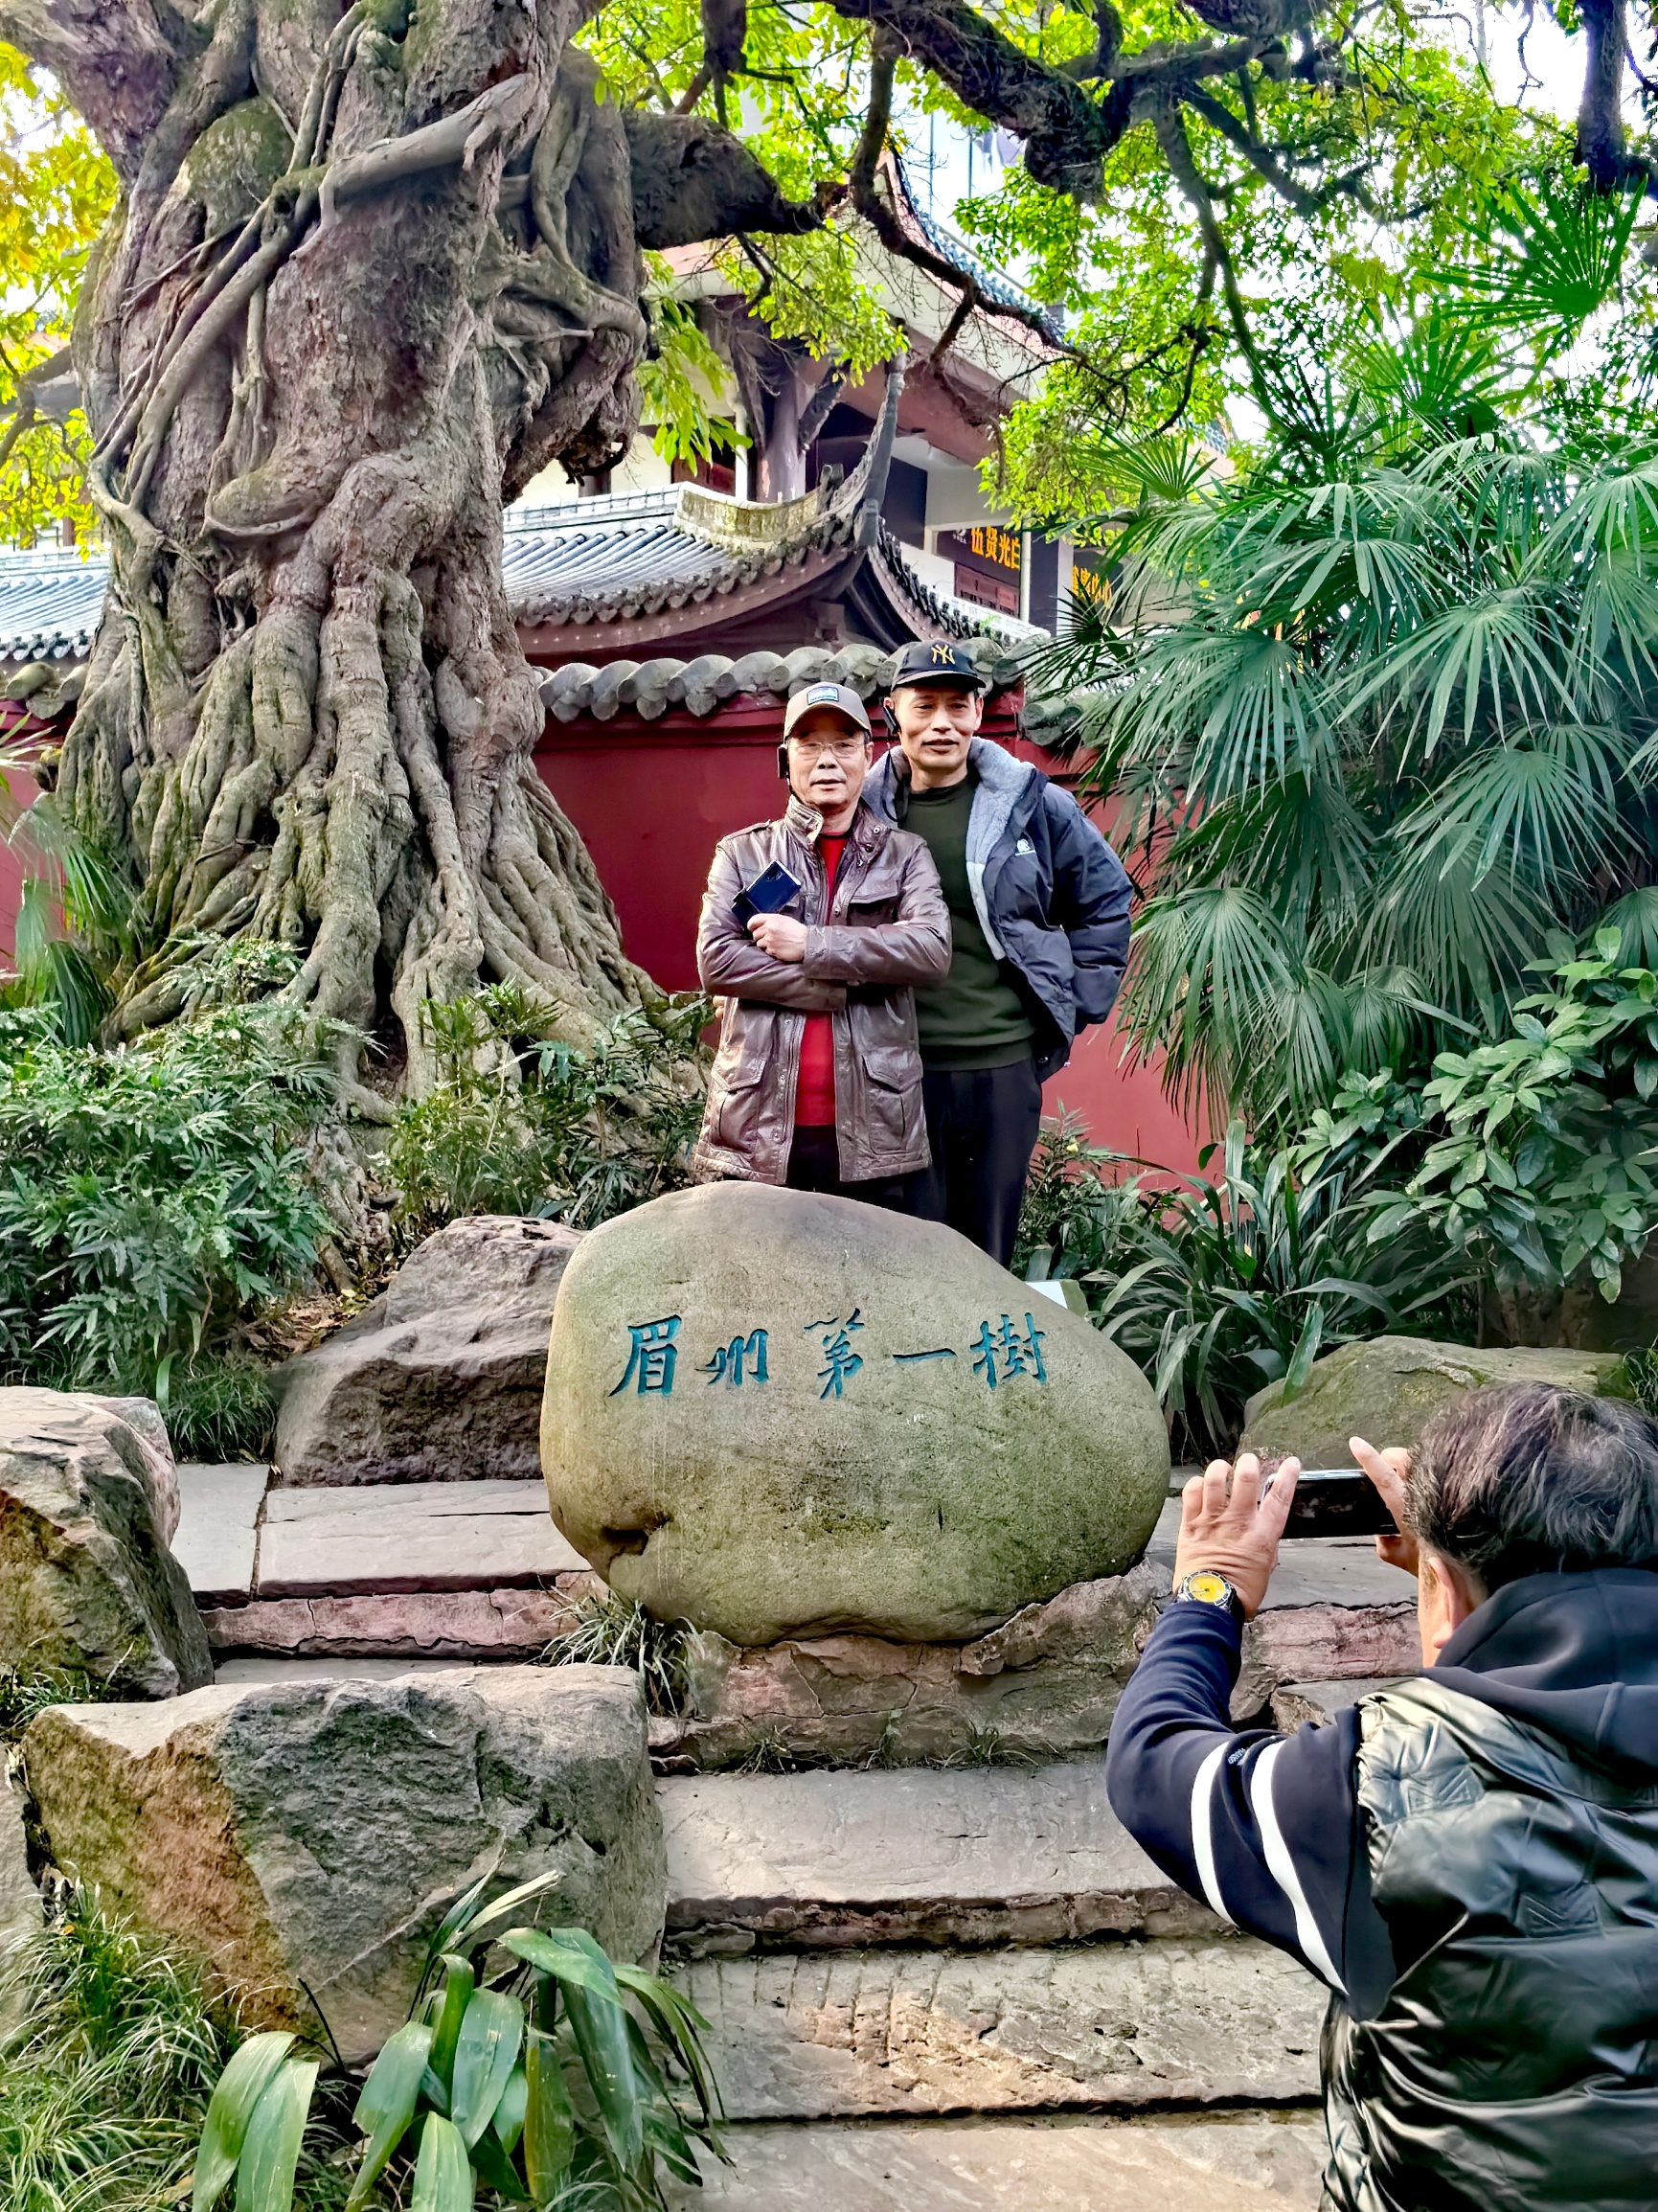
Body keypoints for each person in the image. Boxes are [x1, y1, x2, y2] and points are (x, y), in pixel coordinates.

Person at [1104, 1383, 1658, 2212]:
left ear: (1439, 1581)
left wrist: (1210, 1591)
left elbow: (1152, 1762)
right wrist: (1455, 1592)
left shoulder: (1362, 1782)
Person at [863, 639, 1132, 1266]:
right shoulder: (861, 811)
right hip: (898, 1075)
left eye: (956, 705)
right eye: (923, 704)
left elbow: (1104, 900)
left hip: (1000, 1069)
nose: (940, 723)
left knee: (986, 1260)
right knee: (908, 1264)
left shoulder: (1032, 803)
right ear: (892, 712)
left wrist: (1075, 1001)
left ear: (978, 712)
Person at [691, 679, 949, 1201]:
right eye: (809, 745)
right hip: (755, 1127)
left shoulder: (905, 855)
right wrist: (829, 988)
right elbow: (716, 960)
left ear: (868, 755)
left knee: (870, 1278)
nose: (827, 760)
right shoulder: (743, 854)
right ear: (785, 760)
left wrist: (812, 944)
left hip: (876, 1130)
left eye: (843, 744)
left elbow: (930, 949)